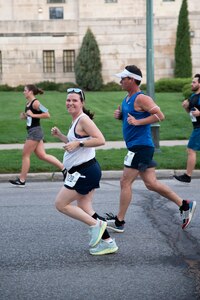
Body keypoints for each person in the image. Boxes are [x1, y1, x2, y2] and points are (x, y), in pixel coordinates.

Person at [105, 65, 196, 232]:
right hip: (137, 146)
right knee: (151, 183)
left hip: (141, 147)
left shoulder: (142, 98)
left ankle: (119, 221)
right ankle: (184, 205)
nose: (120, 81)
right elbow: (129, 117)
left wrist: (138, 122)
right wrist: (121, 116)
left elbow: (160, 116)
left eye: (123, 79)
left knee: (125, 182)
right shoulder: (126, 98)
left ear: (132, 80)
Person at [51, 87, 118, 255]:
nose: (70, 103)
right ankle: (108, 242)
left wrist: (78, 144)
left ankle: (97, 225)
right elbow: (74, 142)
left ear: (82, 103)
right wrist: (60, 136)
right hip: (85, 170)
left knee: (61, 204)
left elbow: (100, 140)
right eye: (68, 100)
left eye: (75, 100)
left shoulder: (83, 120)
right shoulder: (76, 120)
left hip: (85, 171)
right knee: (85, 206)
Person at [9, 84, 67, 187]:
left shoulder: (36, 103)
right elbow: (31, 117)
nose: (23, 92)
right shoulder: (28, 103)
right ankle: (64, 169)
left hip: (35, 132)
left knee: (25, 155)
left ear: (30, 92)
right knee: (42, 155)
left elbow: (47, 114)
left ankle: (22, 180)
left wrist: (33, 115)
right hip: (33, 131)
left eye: (25, 90)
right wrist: (25, 116)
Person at [174, 74, 200, 183]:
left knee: (191, 149)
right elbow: (191, 113)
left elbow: (198, 113)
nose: (191, 84)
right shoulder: (193, 96)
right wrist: (186, 108)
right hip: (196, 127)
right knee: (191, 150)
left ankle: (187, 176)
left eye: (194, 82)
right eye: (192, 82)